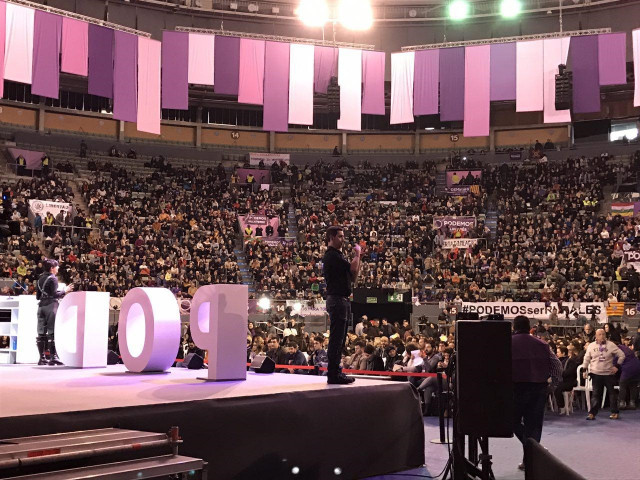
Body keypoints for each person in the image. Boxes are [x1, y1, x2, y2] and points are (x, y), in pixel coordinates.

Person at [511, 315, 562, 471]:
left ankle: (528, 446)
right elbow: (557, 365)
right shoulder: (542, 344)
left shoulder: (506, 343)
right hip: (538, 389)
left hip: (514, 389)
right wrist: (553, 384)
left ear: (514, 327)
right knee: (534, 426)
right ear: (529, 327)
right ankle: (531, 457)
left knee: (511, 421)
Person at [323, 226, 363, 385]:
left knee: (339, 340)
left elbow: (353, 277)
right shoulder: (332, 256)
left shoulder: (338, 256)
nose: (343, 239)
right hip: (337, 300)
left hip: (342, 300)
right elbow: (353, 269)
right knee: (336, 339)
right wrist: (358, 254)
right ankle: (333, 374)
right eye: (340, 236)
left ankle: (335, 372)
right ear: (331, 237)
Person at [36, 259, 73, 366]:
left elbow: (38, 296)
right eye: (57, 266)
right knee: (52, 332)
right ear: (52, 268)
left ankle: (42, 358)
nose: (58, 268)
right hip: (51, 306)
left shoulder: (40, 279)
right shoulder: (53, 279)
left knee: (41, 333)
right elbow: (54, 294)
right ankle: (53, 357)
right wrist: (65, 290)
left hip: (41, 307)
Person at [582, 328, 625, 420]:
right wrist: (584, 370)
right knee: (596, 394)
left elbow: (622, 355)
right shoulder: (591, 346)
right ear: (596, 336)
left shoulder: (611, 345)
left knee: (612, 394)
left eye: (603, 334)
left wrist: (617, 366)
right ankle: (592, 413)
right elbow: (586, 358)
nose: (602, 336)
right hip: (595, 373)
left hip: (609, 373)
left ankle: (614, 412)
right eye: (600, 334)